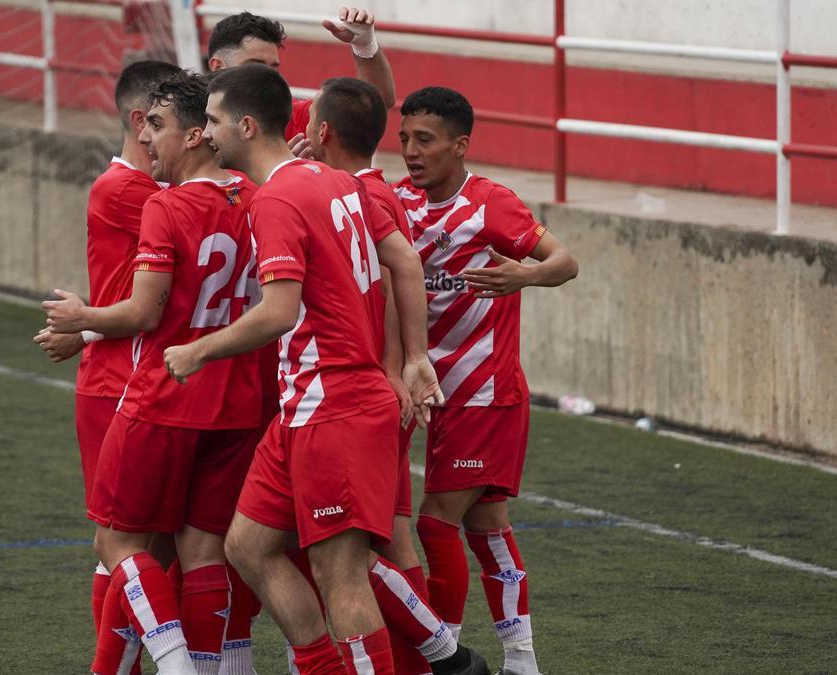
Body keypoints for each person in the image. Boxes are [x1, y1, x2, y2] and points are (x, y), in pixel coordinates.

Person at [163, 64, 486, 675]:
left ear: (247, 125)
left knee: (344, 576)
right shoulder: (331, 179)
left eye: (212, 121)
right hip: (311, 406)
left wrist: (199, 350)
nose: (205, 133)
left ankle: (438, 658)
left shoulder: (279, 198)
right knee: (248, 547)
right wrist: (414, 358)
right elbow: (406, 263)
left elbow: (280, 312)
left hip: (333, 404)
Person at [44, 71, 262, 675]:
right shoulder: (255, 194)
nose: (150, 141)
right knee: (202, 550)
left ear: (197, 135)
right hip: (239, 400)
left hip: (164, 395)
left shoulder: (165, 204)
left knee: (116, 543)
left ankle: (176, 666)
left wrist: (82, 317)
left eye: (160, 128)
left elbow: (146, 310)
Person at [395, 87, 579, 675]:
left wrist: (521, 276)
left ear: (460, 145)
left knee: (433, 520)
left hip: (483, 392)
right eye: (404, 138)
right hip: (427, 386)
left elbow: (565, 262)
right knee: (486, 525)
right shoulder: (397, 200)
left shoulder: (491, 204)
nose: (410, 151)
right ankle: (522, 660)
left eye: (425, 140)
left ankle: (440, 656)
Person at [33, 58, 180, 673]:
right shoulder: (127, 191)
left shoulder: (162, 192)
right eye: (180, 121)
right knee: (119, 542)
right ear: (142, 121)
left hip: (149, 374)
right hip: (117, 383)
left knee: (165, 542)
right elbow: (150, 303)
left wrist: (86, 323)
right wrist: (91, 325)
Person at [205, 8, 395, 152]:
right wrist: (280, 173)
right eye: (255, 65)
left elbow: (373, 104)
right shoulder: (186, 124)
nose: (267, 76)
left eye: (273, 68)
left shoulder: (295, 118)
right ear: (217, 67)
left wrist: (365, 46)